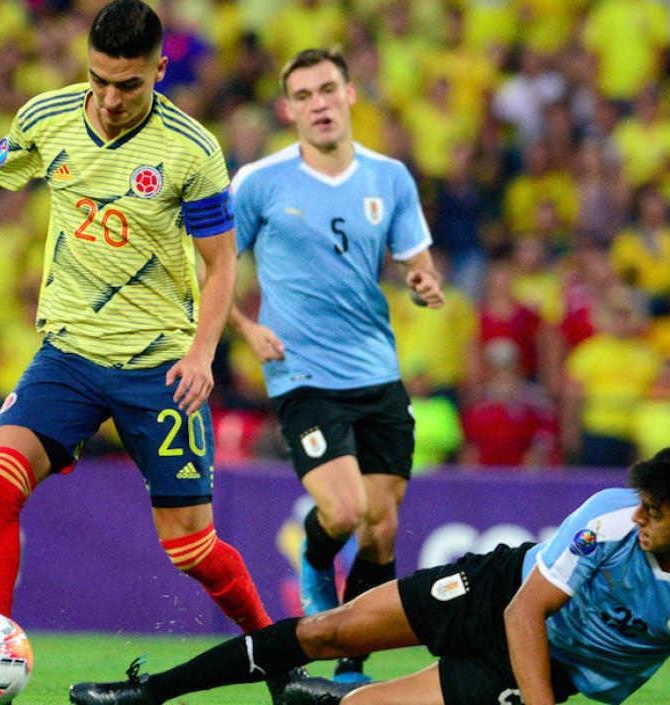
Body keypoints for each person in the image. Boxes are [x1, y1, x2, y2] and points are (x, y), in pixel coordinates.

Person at [0, 2, 276, 702]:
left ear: (160, 70)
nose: (109, 97)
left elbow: (220, 265)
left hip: (157, 366)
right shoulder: (49, 117)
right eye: (99, 79)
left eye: (128, 84)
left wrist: (201, 352)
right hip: (66, 354)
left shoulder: (191, 150)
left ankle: (276, 657)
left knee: (191, 548)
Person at [68, 441, 670, 705]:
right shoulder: (610, 512)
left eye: (655, 514)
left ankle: (328, 698)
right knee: (328, 627)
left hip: (555, 667)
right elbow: (526, 609)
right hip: (505, 591)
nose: (638, 518)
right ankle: (151, 691)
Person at [226, 47, 445, 683]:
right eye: (304, 95)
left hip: (376, 371)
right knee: (345, 511)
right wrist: (245, 327)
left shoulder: (390, 177)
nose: (318, 103)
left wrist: (423, 282)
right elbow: (207, 267)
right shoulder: (259, 181)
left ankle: (352, 657)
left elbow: (416, 261)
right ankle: (316, 561)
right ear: (287, 109)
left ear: (350, 95)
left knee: (381, 530)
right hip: (301, 373)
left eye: (327, 89)